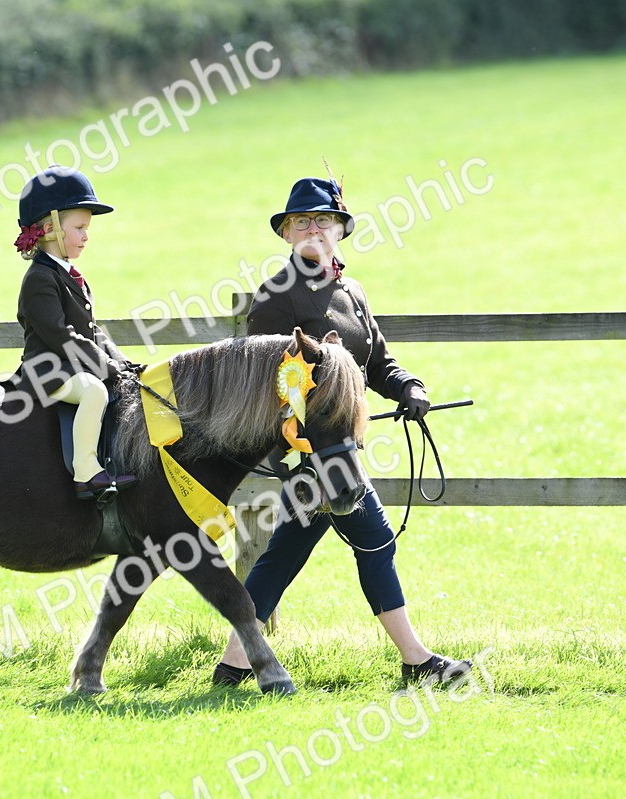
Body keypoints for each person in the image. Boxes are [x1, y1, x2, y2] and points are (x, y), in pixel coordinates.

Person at [213, 174, 472, 686]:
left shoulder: (351, 292)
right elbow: (266, 382)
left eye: (323, 221)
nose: (313, 229)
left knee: (283, 554)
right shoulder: (274, 299)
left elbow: (376, 362)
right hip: (312, 453)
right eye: (301, 222)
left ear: (339, 230)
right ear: (287, 234)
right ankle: (417, 661)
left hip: (342, 448)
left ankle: (233, 666)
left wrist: (408, 389)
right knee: (375, 540)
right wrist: (306, 430)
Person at [10, 166, 137, 500]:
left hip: (71, 365)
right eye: (79, 228)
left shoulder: (70, 274)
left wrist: (125, 364)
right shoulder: (39, 278)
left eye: (87, 228)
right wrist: (105, 367)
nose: (86, 236)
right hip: (46, 370)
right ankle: (86, 472)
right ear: (50, 229)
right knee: (94, 390)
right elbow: (61, 335)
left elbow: (94, 333)